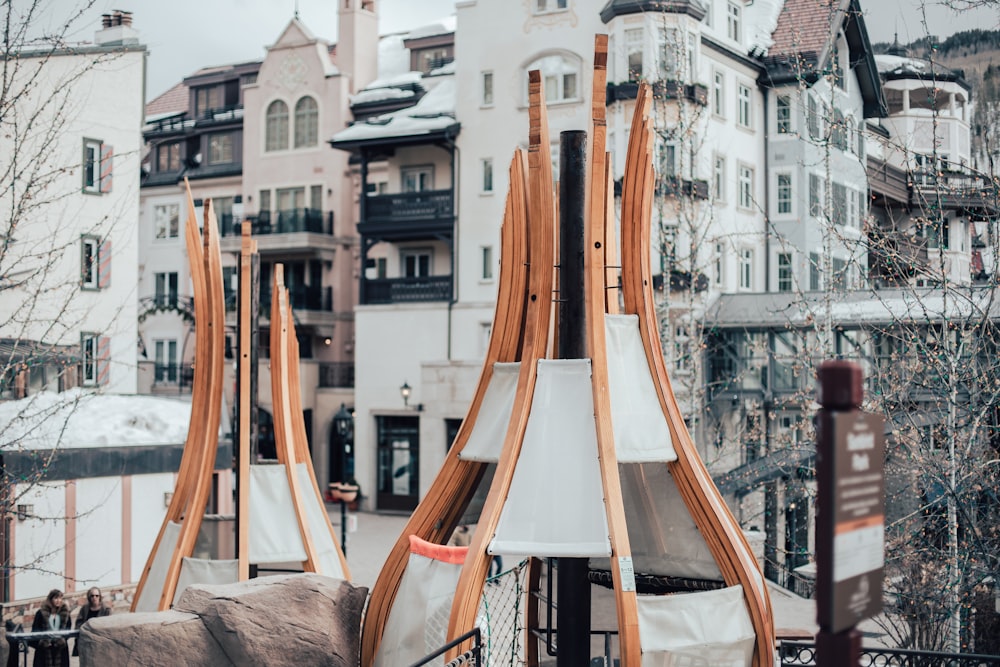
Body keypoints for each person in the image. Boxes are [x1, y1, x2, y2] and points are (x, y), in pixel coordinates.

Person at [30, 589, 69, 667]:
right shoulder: (41, 613)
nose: (59, 600)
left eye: (60, 598)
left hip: (60, 648)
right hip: (45, 648)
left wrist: (62, 640)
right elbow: (35, 629)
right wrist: (42, 641)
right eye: (56, 598)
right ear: (50, 599)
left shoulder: (64, 613)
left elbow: (68, 629)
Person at [72, 587, 111, 657]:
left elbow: (110, 625)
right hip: (87, 641)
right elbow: (78, 623)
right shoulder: (84, 609)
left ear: (100, 597)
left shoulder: (106, 609)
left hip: (101, 641)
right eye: (92, 596)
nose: (94, 597)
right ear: (89, 597)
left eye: (97, 595)